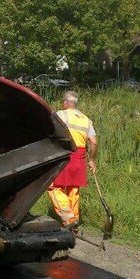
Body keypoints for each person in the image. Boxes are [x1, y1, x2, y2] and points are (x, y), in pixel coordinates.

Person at [48, 90, 98, 230]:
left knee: (53, 186)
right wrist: (92, 160)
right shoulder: (86, 119)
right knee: (73, 189)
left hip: (64, 155)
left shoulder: (60, 115)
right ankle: (74, 222)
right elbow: (93, 142)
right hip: (79, 157)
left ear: (65, 102)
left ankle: (68, 218)